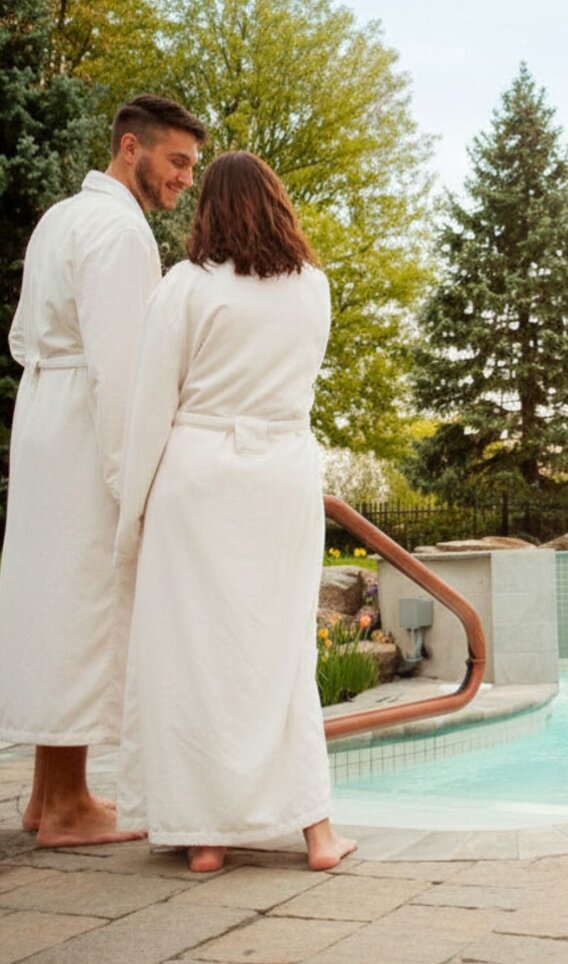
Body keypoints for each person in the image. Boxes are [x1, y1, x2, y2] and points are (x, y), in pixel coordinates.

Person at [114, 151, 355, 873]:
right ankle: (317, 833)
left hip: (201, 474)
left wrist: (133, 510)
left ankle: (208, 838)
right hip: (281, 476)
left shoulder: (185, 287)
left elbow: (151, 403)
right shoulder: (313, 287)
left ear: (209, 208)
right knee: (281, 652)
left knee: (195, 654)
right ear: (278, 203)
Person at [0, 95, 206, 847]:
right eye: (176, 161)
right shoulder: (121, 232)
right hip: (86, 428)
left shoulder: (61, 216)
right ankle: (66, 807)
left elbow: (25, 335)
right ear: (130, 148)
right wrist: (134, 481)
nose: (185, 178)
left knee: (52, 598)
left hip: (45, 417)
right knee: (84, 603)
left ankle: (45, 793)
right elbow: (126, 371)